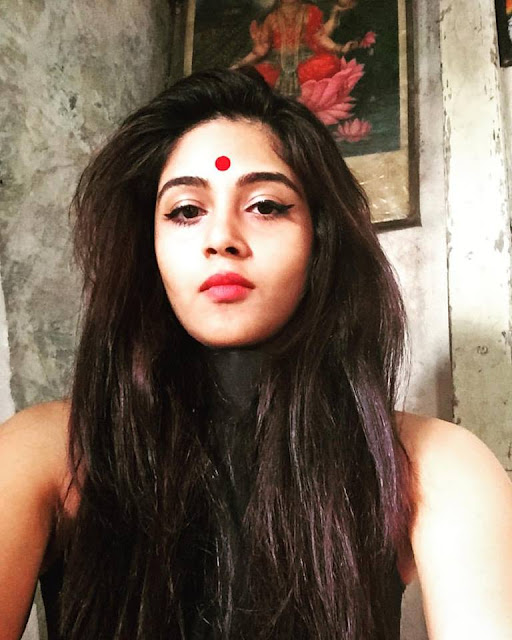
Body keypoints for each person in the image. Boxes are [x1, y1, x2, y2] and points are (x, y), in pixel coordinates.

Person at [0, 67, 511, 640]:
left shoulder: (436, 466)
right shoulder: (43, 453)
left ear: (321, 241)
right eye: (186, 211)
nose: (221, 238)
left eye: (266, 205)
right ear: (148, 248)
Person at [233, 0, 358, 97]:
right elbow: (261, 50)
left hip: (305, 62)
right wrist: (240, 64)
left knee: (329, 63)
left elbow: (320, 37)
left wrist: (340, 48)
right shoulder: (271, 18)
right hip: (277, 65)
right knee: (255, 75)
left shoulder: (310, 11)